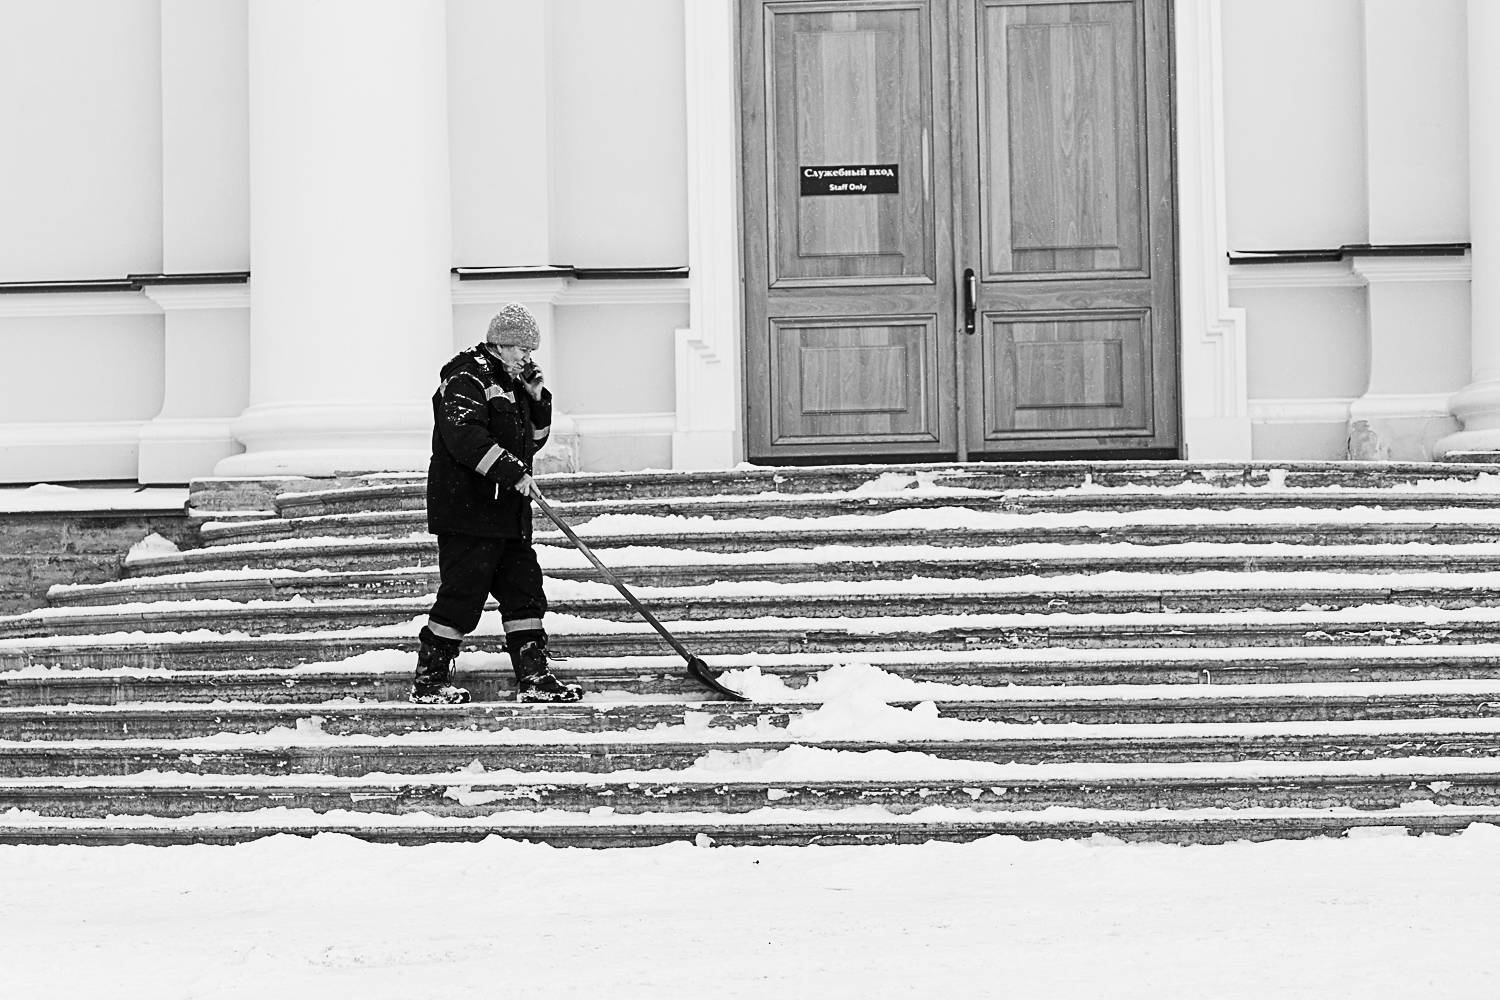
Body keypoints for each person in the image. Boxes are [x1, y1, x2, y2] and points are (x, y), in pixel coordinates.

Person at [410, 302, 583, 705]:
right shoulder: (465, 377)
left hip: (507, 512)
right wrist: (513, 472)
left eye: (531, 350)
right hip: (468, 510)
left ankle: (534, 676)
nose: (528, 358)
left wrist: (537, 398)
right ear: (501, 344)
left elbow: (531, 442)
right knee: (463, 595)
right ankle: (429, 679)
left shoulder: (512, 382)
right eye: (523, 349)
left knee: (524, 591)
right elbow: (464, 437)